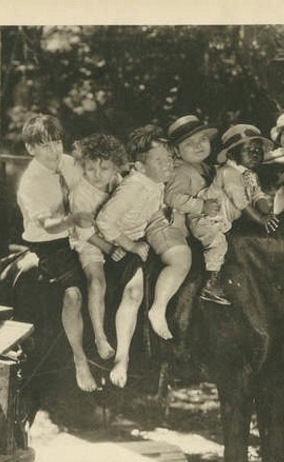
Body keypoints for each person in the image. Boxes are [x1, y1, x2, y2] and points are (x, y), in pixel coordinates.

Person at [15, 113, 102, 393]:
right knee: (73, 295)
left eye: (56, 142)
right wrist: (72, 219)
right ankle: (80, 359)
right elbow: (49, 226)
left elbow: (92, 186)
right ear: (31, 149)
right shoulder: (30, 183)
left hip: (80, 233)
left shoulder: (68, 163)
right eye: (44, 145)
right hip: (48, 242)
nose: (54, 150)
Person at [97, 124, 191, 344]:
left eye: (169, 158)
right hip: (116, 242)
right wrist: (130, 245)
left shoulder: (155, 181)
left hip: (141, 231)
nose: (168, 164)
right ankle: (156, 311)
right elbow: (104, 221)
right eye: (160, 161)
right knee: (138, 289)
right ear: (139, 166)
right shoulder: (133, 187)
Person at [199, 124, 280, 304]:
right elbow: (240, 201)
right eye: (248, 150)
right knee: (218, 244)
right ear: (232, 153)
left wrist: (269, 214)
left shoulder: (250, 174)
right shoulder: (228, 172)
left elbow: (258, 195)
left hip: (230, 219)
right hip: (209, 219)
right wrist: (260, 219)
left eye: (258, 150)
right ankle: (210, 284)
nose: (254, 153)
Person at [69, 133, 128, 361]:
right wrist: (110, 249)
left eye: (104, 169)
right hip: (90, 241)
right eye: (91, 168)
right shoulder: (79, 193)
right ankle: (100, 337)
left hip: (113, 234)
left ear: (115, 168)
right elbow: (85, 232)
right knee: (97, 281)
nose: (97, 175)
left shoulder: (117, 182)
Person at [163, 115, 229, 305]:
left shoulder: (205, 167)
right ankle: (211, 283)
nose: (199, 146)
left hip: (214, 215)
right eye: (190, 143)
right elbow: (172, 197)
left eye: (203, 139)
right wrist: (201, 206)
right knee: (218, 241)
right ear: (176, 150)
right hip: (194, 220)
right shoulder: (181, 171)